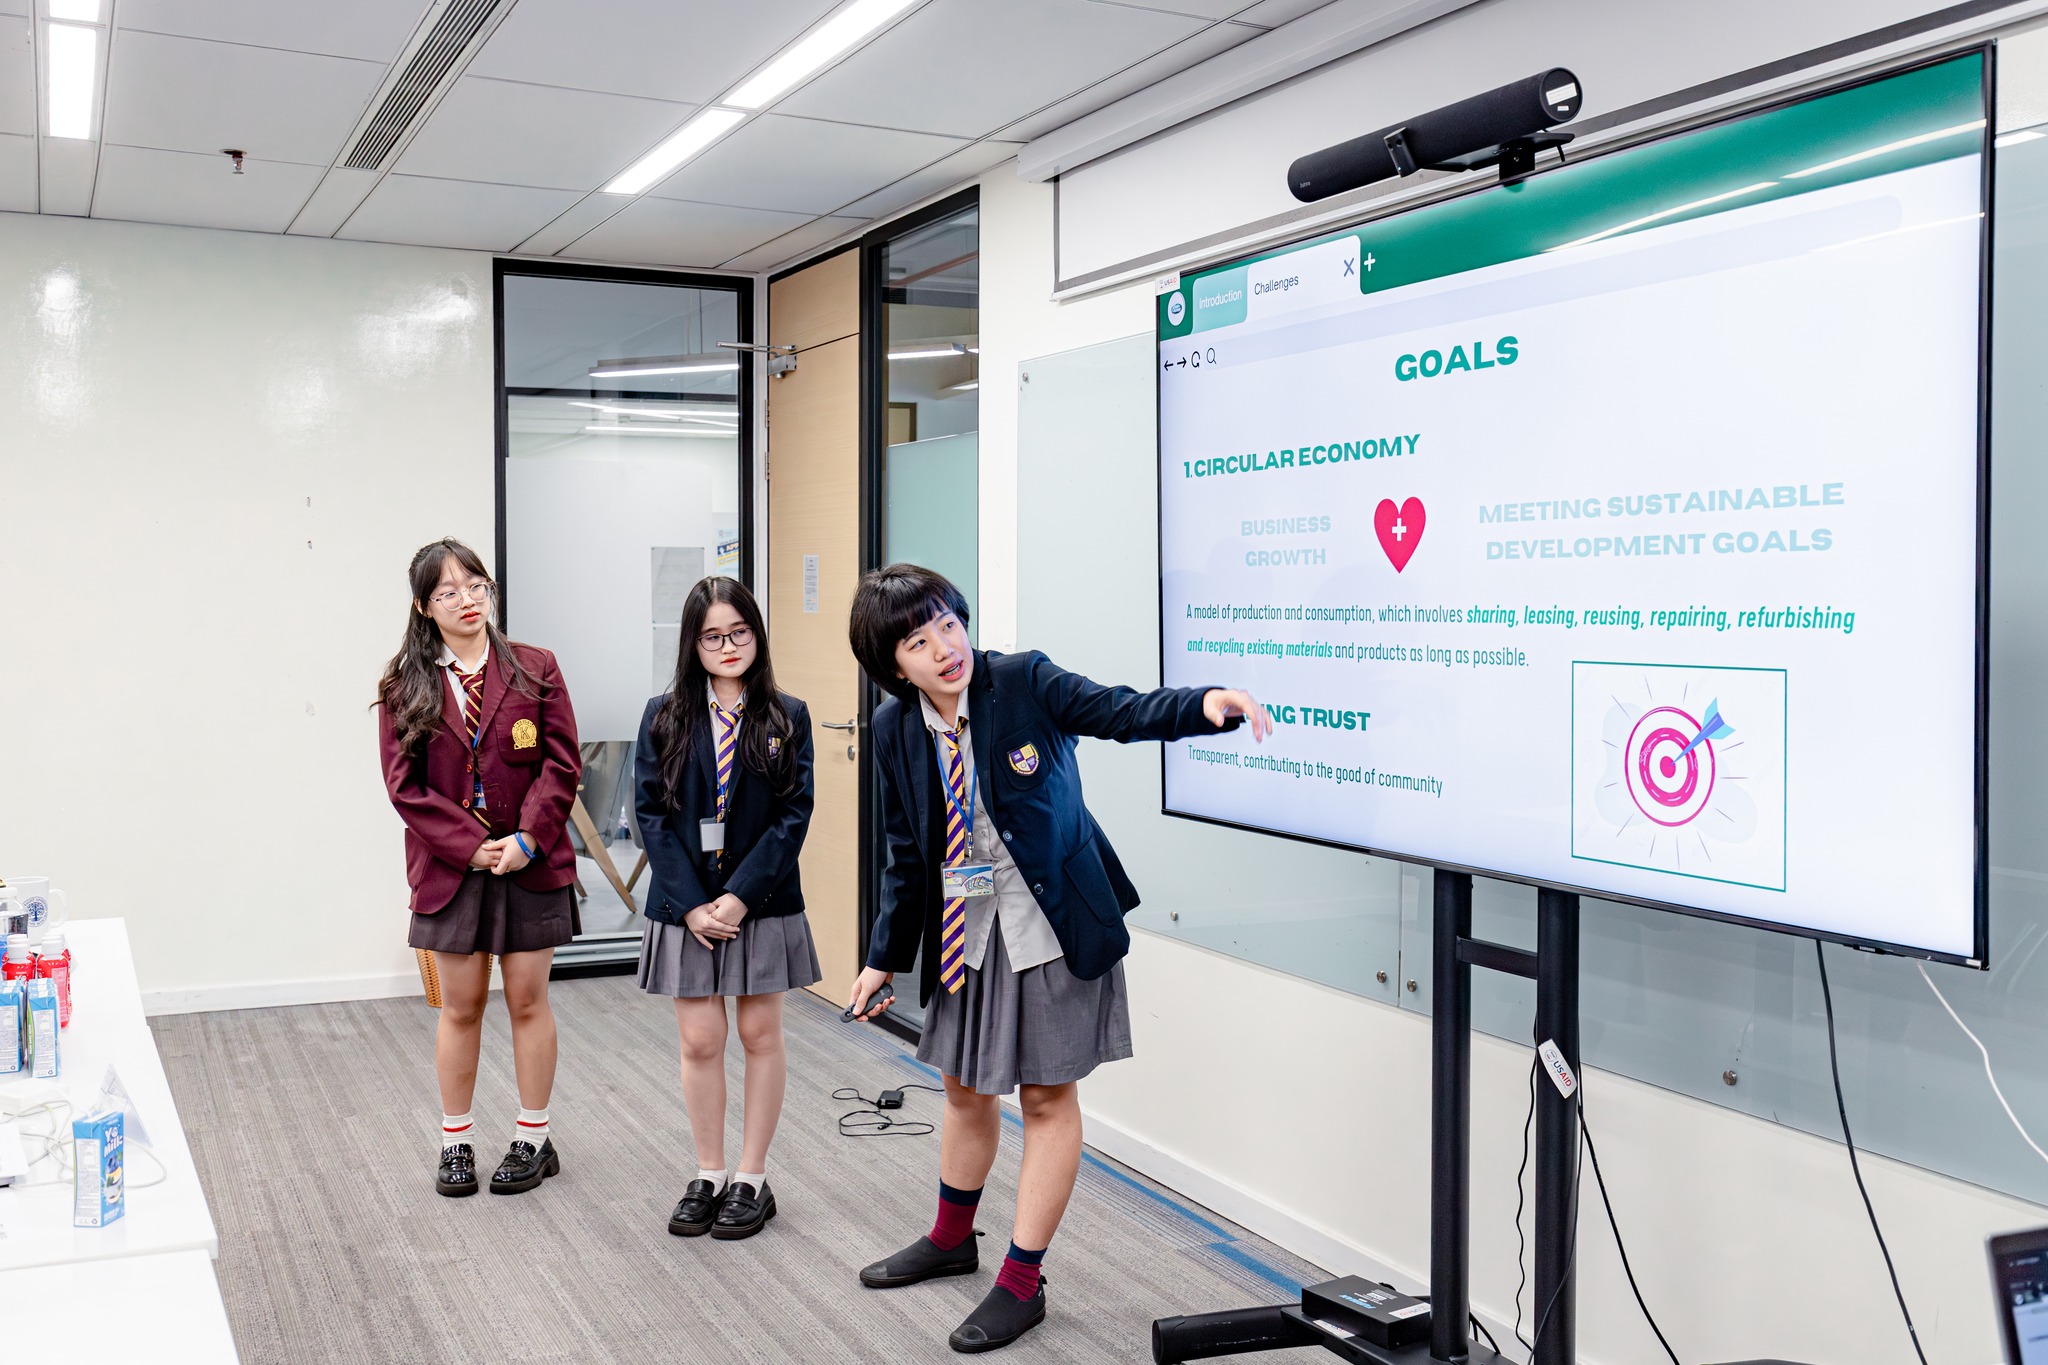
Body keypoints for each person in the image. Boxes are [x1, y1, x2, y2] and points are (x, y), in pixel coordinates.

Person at [844, 563, 1271, 1353]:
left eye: (948, 624)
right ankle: (951, 1237)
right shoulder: (896, 729)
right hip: (967, 927)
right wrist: (881, 959)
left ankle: (1022, 1280)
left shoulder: (1021, 680)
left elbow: (1119, 710)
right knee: (963, 1088)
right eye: (918, 640)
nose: (945, 647)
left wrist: (1203, 705)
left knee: (1045, 1099)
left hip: (1050, 918)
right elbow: (906, 855)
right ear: (893, 666)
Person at [375, 538, 581, 1199]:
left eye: (475, 586)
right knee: (460, 1007)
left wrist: (529, 837)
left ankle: (533, 1137)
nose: (466, 600)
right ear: (423, 606)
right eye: (448, 591)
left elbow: (562, 763)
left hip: (530, 860)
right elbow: (405, 788)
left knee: (528, 999)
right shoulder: (402, 686)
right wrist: (470, 845)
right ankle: (456, 1140)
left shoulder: (535, 667)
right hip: (451, 867)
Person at [634, 577, 817, 1241]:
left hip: (760, 900)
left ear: (756, 634)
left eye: (739, 632)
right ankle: (709, 1172)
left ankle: (751, 1177)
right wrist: (692, 905)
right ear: (693, 643)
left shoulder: (787, 715)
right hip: (685, 903)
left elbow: (794, 814)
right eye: (712, 636)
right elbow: (650, 815)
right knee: (700, 1039)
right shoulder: (662, 715)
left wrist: (738, 896)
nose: (728, 646)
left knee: (760, 1034)